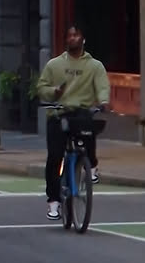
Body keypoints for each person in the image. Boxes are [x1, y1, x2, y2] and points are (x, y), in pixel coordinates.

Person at [36, 25, 110, 220]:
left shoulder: (95, 66)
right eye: (69, 35)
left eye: (76, 35)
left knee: (89, 129)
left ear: (83, 39)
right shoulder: (54, 65)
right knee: (55, 157)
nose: (72, 38)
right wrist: (54, 92)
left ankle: (91, 165)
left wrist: (103, 101)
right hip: (59, 113)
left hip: (81, 112)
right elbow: (41, 87)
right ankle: (53, 202)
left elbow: (102, 86)